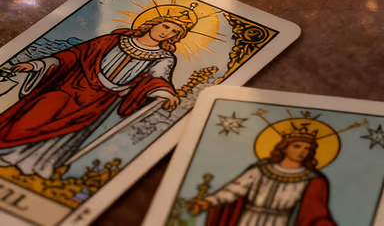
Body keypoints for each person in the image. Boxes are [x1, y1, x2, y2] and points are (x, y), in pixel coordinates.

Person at [0, 14, 189, 180]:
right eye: (166, 26)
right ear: (153, 24)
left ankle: (30, 163)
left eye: (174, 32)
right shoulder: (114, 40)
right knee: (32, 117)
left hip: (102, 101)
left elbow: (158, 79)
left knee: (67, 132)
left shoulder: (163, 58)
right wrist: (39, 64)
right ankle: (6, 151)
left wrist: (165, 93)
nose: (167, 32)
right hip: (71, 87)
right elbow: (75, 54)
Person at [188, 131, 336, 226]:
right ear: (285, 147)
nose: (302, 151)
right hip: (249, 220)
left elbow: (315, 212)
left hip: (280, 222)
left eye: (307, 148)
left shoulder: (311, 180)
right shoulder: (260, 170)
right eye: (297, 146)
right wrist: (208, 202)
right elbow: (233, 190)